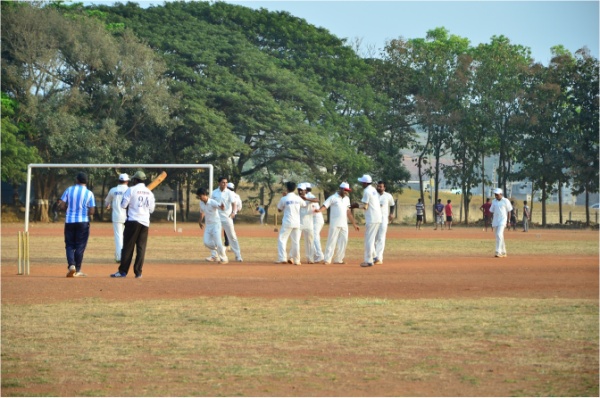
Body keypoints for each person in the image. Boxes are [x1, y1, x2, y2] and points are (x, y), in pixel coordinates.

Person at [110, 171, 155, 278]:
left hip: (133, 221)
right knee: (141, 248)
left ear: (135, 180)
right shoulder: (149, 193)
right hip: (145, 222)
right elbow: (152, 210)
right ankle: (138, 272)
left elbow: (123, 205)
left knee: (127, 247)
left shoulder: (131, 190)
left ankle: (123, 271)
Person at [59, 172, 96, 278]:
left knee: (69, 244)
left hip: (70, 221)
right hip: (83, 222)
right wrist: (85, 213)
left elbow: (61, 204)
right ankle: (78, 269)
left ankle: (71, 265)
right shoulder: (89, 193)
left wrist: (68, 210)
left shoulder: (69, 190)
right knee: (80, 246)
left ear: (77, 180)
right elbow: (92, 210)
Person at [315, 182, 359, 264]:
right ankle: (327, 259)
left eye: (348, 190)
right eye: (345, 190)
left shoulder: (347, 199)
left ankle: (338, 259)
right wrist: (319, 210)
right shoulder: (333, 197)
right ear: (341, 189)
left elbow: (348, 212)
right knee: (331, 241)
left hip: (344, 224)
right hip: (335, 223)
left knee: (343, 241)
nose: (346, 192)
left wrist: (354, 224)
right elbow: (325, 205)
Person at [206, 177, 243, 262]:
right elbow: (211, 204)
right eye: (223, 182)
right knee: (214, 237)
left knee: (232, 236)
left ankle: (238, 255)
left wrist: (234, 213)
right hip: (216, 218)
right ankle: (214, 255)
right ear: (219, 183)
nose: (225, 184)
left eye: (226, 182)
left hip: (227, 217)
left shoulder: (230, 193)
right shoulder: (214, 192)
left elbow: (234, 203)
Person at [275, 181, 307, 265]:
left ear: (287, 188)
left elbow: (279, 209)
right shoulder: (298, 198)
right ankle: (297, 260)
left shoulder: (284, 198)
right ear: (294, 188)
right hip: (297, 222)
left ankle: (282, 258)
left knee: (282, 239)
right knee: (296, 241)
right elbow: (304, 204)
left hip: (287, 222)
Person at [196, 187, 228, 264]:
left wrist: (222, 207)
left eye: (200, 196)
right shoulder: (201, 203)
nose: (199, 198)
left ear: (204, 195)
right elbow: (202, 211)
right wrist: (200, 221)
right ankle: (219, 251)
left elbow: (220, 207)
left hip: (216, 224)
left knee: (218, 242)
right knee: (206, 242)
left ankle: (224, 258)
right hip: (208, 225)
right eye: (198, 196)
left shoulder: (212, 202)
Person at [357, 174, 382, 267]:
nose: (361, 184)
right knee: (370, 239)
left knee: (369, 240)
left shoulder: (367, 191)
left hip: (372, 218)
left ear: (365, 183)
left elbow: (365, 206)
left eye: (362, 182)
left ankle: (368, 261)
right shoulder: (373, 189)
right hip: (377, 217)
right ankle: (375, 258)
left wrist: (356, 206)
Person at [104, 173, 130, 263]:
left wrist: (108, 206)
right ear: (127, 181)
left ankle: (119, 257)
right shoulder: (130, 190)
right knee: (127, 238)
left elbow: (107, 202)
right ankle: (126, 257)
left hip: (117, 217)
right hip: (129, 217)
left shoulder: (113, 190)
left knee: (119, 237)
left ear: (119, 180)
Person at [374, 181, 395, 264]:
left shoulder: (388, 196)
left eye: (381, 186)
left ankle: (379, 258)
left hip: (383, 219)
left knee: (381, 238)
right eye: (378, 186)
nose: (379, 188)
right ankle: (374, 257)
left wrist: (391, 214)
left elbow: (392, 205)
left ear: (384, 188)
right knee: (374, 238)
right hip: (374, 219)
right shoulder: (373, 194)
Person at [489, 188, 512, 258]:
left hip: (503, 220)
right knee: (499, 236)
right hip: (496, 220)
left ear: (501, 194)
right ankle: (504, 251)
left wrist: (508, 221)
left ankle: (498, 251)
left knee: (499, 234)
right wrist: (491, 221)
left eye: (497, 194)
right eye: (495, 194)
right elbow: (491, 211)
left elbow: (509, 211)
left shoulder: (506, 201)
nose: (496, 196)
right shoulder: (494, 201)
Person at [305, 183, 325, 263]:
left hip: (316, 219)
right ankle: (317, 255)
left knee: (314, 236)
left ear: (305, 190)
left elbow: (315, 202)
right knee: (314, 236)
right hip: (315, 219)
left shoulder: (309, 196)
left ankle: (319, 255)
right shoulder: (309, 196)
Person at [297, 183, 315, 263]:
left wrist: (306, 199)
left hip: (309, 222)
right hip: (298, 222)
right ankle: (294, 258)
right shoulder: (296, 198)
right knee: (296, 240)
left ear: (305, 190)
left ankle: (310, 258)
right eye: (299, 190)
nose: (300, 192)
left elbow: (317, 200)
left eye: (302, 190)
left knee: (310, 241)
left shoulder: (310, 196)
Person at [222, 182, 242, 252]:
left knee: (226, 230)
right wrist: (235, 211)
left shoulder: (226, 194)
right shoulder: (237, 196)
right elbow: (239, 207)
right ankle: (232, 246)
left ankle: (227, 245)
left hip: (227, 214)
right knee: (231, 230)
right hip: (233, 214)